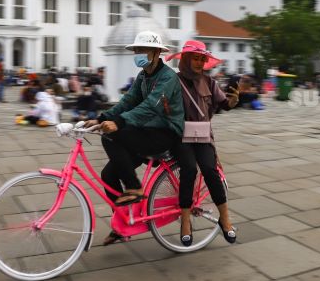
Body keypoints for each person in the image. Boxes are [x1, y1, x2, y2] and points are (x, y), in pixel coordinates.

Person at [84, 31, 184, 246]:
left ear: (157, 52)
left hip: (165, 133)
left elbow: (151, 106)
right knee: (108, 174)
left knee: (113, 135)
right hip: (146, 131)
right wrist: (101, 117)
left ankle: (134, 187)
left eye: (142, 50)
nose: (137, 54)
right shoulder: (143, 76)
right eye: (136, 50)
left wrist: (118, 123)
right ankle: (122, 225)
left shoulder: (168, 77)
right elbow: (128, 101)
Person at [165, 40, 239, 247]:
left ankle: (225, 218)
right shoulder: (173, 81)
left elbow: (224, 104)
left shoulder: (210, 82)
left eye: (201, 59)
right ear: (186, 59)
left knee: (209, 169)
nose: (198, 62)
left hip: (203, 136)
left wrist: (233, 101)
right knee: (188, 169)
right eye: (195, 58)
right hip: (180, 137)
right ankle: (185, 221)